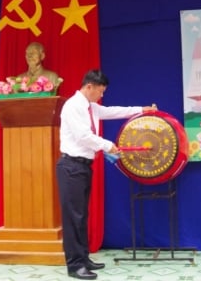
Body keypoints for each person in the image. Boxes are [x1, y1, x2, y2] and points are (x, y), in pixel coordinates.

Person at [56, 69, 156, 280]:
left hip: (83, 167)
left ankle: (83, 258)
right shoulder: (73, 106)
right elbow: (84, 136)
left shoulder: (90, 107)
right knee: (73, 218)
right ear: (89, 86)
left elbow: (113, 111)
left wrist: (142, 110)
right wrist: (108, 145)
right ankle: (74, 266)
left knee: (81, 217)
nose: (101, 96)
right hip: (71, 167)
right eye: (100, 91)